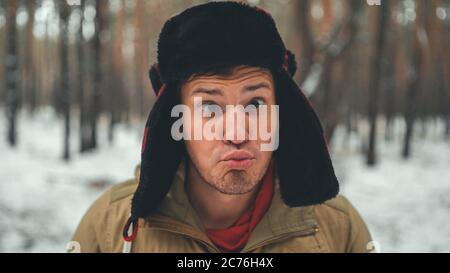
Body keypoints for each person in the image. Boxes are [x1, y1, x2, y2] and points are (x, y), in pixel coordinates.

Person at [71, 1, 372, 253]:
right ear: (178, 121)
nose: (237, 134)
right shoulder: (111, 228)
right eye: (210, 108)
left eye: (255, 104)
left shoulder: (337, 228)